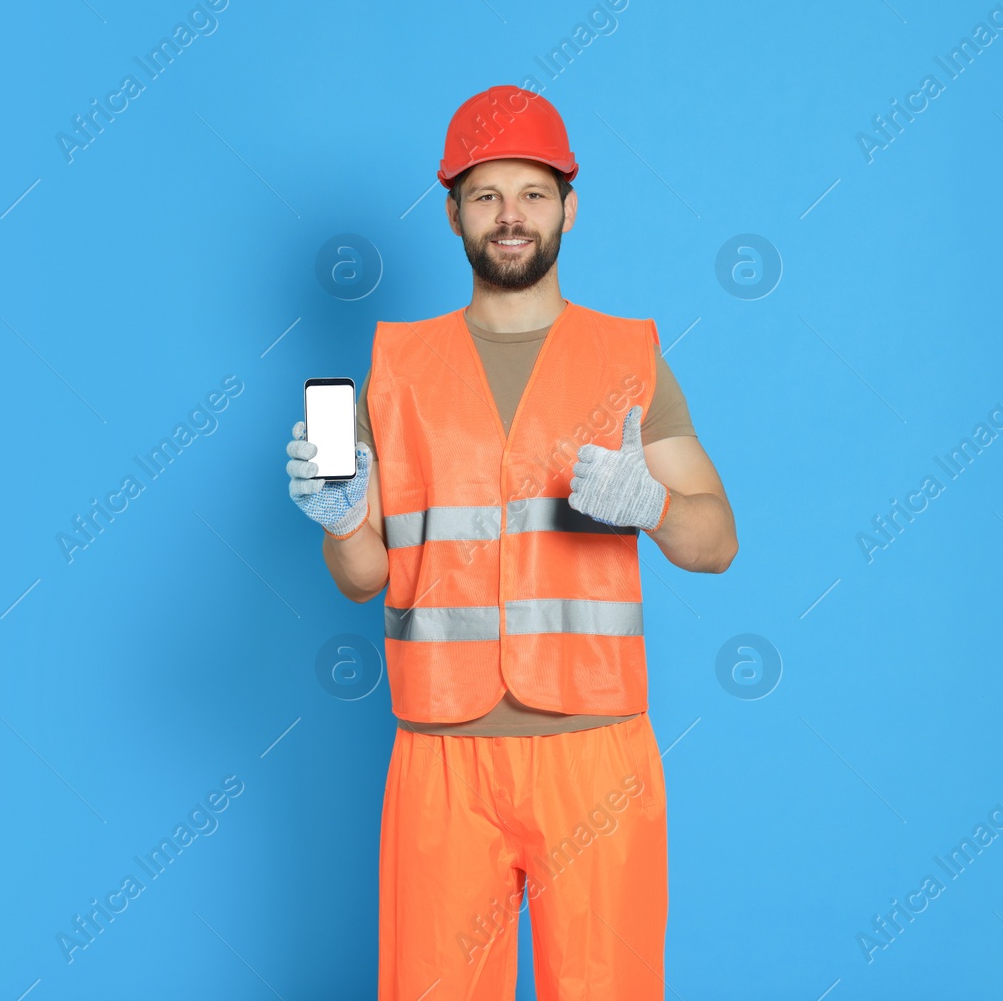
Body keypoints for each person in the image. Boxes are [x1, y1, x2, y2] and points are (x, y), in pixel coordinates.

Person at [286, 84, 737, 1000]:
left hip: (595, 754)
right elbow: (362, 575)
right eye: (487, 195)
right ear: (452, 212)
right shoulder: (396, 372)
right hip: (441, 758)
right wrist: (339, 522)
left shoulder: (631, 359)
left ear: (570, 205)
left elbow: (715, 541)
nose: (511, 217)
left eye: (532, 192)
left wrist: (650, 501)